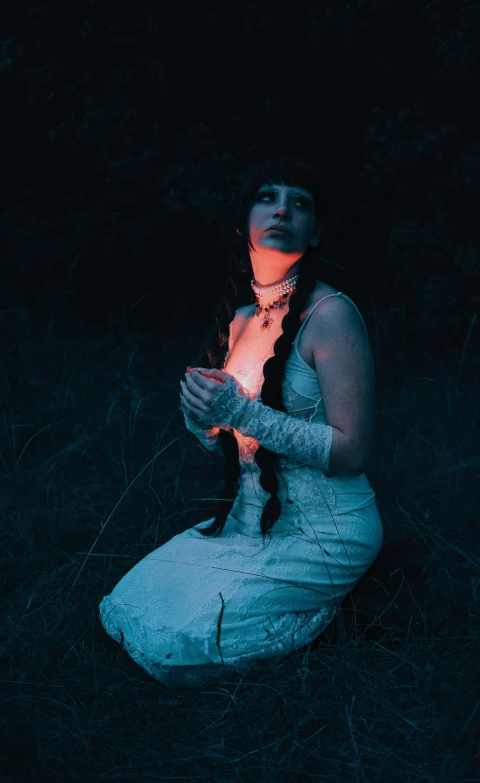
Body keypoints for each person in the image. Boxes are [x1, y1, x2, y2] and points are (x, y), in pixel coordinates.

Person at [98, 155, 383, 689]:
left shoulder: (332, 315)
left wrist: (242, 412)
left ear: (315, 232)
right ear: (241, 224)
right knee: (126, 606)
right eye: (267, 197)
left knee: (176, 654)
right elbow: (238, 444)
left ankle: (329, 621)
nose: (282, 210)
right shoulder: (240, 320)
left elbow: (353, 451)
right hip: (249, 521)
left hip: (328, 530)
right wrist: (204, 422)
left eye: (299, 204)